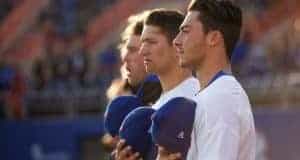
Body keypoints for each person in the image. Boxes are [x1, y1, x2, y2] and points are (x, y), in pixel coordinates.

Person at [173, 0, 256, 159]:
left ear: (213, 38)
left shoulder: (220, 98)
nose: (176, 40)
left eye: (185, 30)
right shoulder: (215, 93)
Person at [114, 9, 200, 160]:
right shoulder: (154, 106)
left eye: (151, 42)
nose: (143, 51)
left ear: (177, 46)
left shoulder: (200, 99)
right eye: (142, 43)